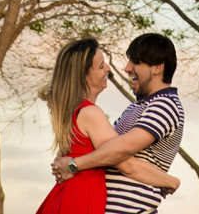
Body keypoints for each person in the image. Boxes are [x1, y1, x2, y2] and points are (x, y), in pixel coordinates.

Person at [36, 38, 180, 214]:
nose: (126, 68)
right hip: (93, 203)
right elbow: (120, 157)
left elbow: (119, 151)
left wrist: (73, 164)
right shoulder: (123, 109)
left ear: (158, 67)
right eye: (101, 65)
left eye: (135, 61)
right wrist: (170, 181)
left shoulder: (164, 104)